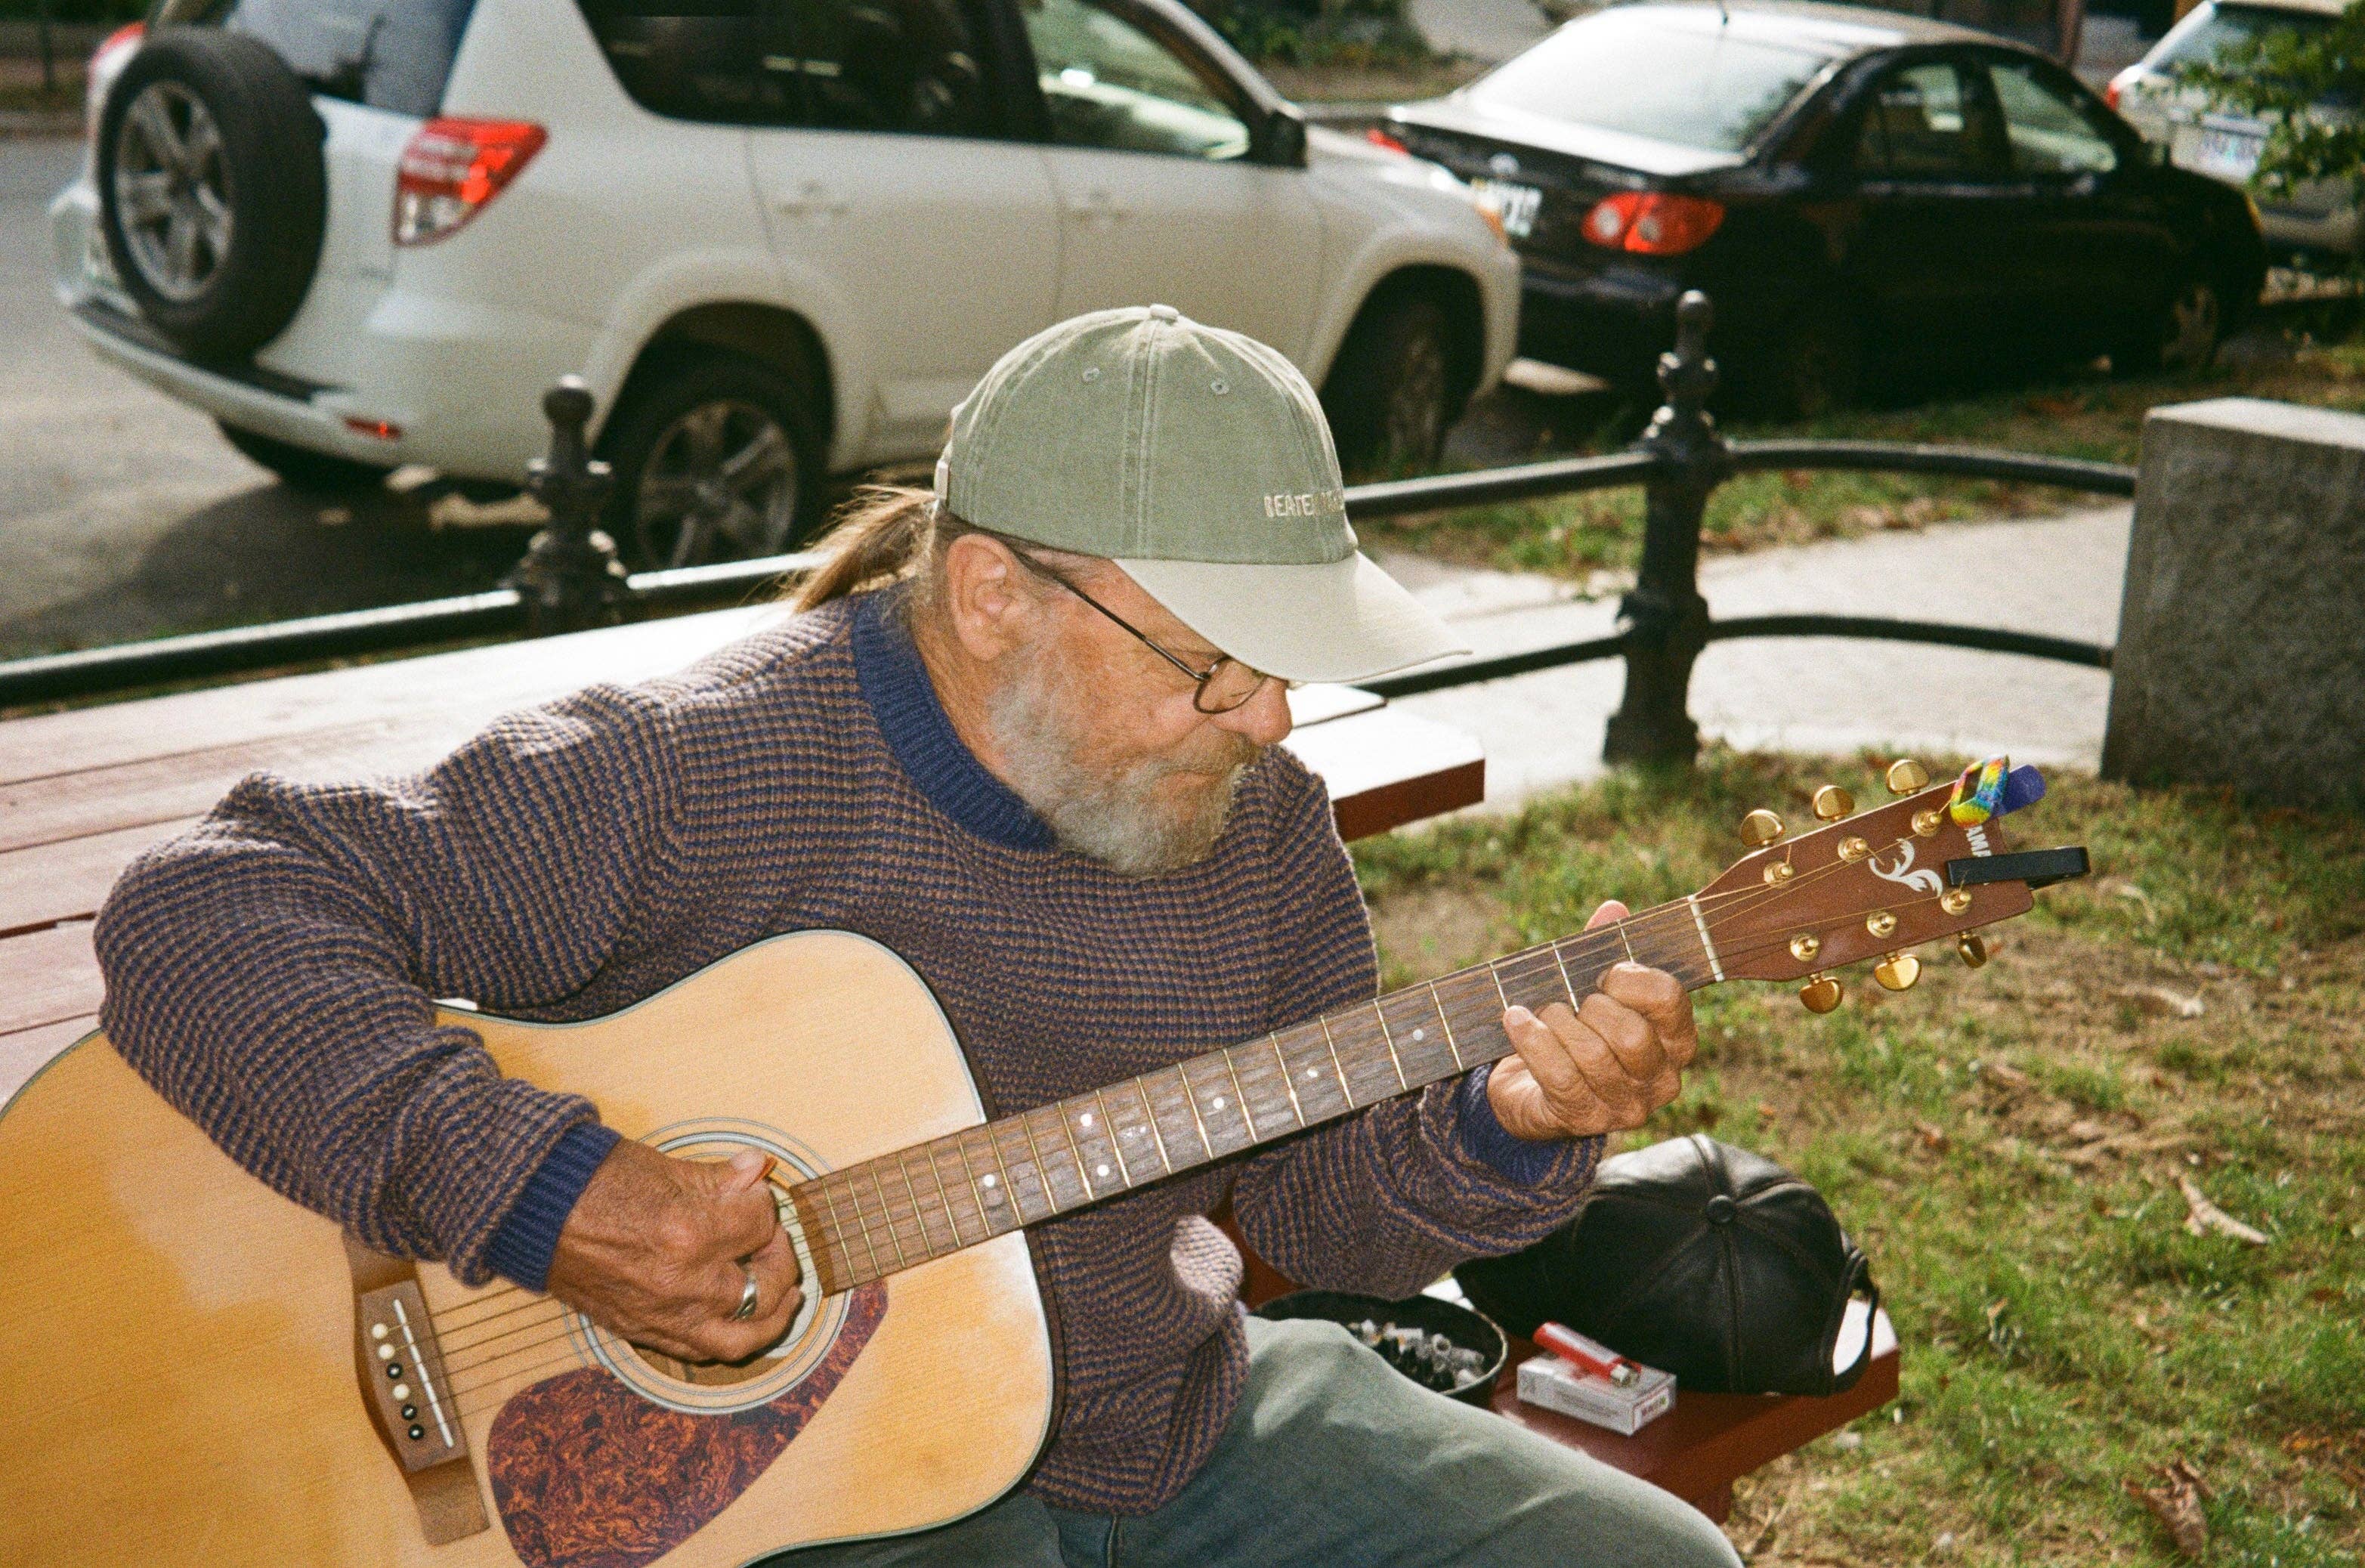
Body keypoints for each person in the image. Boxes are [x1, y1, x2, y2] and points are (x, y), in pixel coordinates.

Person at [94, 305, 1740, 1567]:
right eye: (1215, 661)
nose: (1270, 716)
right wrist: (543, 1198)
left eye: (1293, 661)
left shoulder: (1261, 830)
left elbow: (1324, 1207)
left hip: (1168, 1429)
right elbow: (211, 904)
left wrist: (1501, 1126)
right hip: (837, 1495)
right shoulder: (705, 767)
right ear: (991, 600)